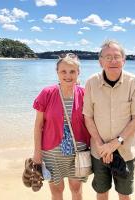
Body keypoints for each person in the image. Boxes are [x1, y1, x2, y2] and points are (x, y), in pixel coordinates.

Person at [83, 40, 135, 200]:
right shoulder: (91, 82)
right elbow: (88, 117)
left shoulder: (134, 82)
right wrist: (100, 145)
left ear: (123, 60)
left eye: (117, 57)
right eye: (108, 57)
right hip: (99, 150)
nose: (112, 61)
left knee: (124, 194)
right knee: (101, 192)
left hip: (125, 151)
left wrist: (116, 143)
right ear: (100, 62)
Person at [32, 53, 91, 200]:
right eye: (63, 71)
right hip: (52, 152)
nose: (68, 75)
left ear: (78, 73)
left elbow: (92, 123)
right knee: (57, 191)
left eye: (72, 71)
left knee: (76, 189)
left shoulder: (85, 94)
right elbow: (38, 126)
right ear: (57, 73)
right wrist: (37, 153)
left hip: (78, 152)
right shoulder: (47, 93)